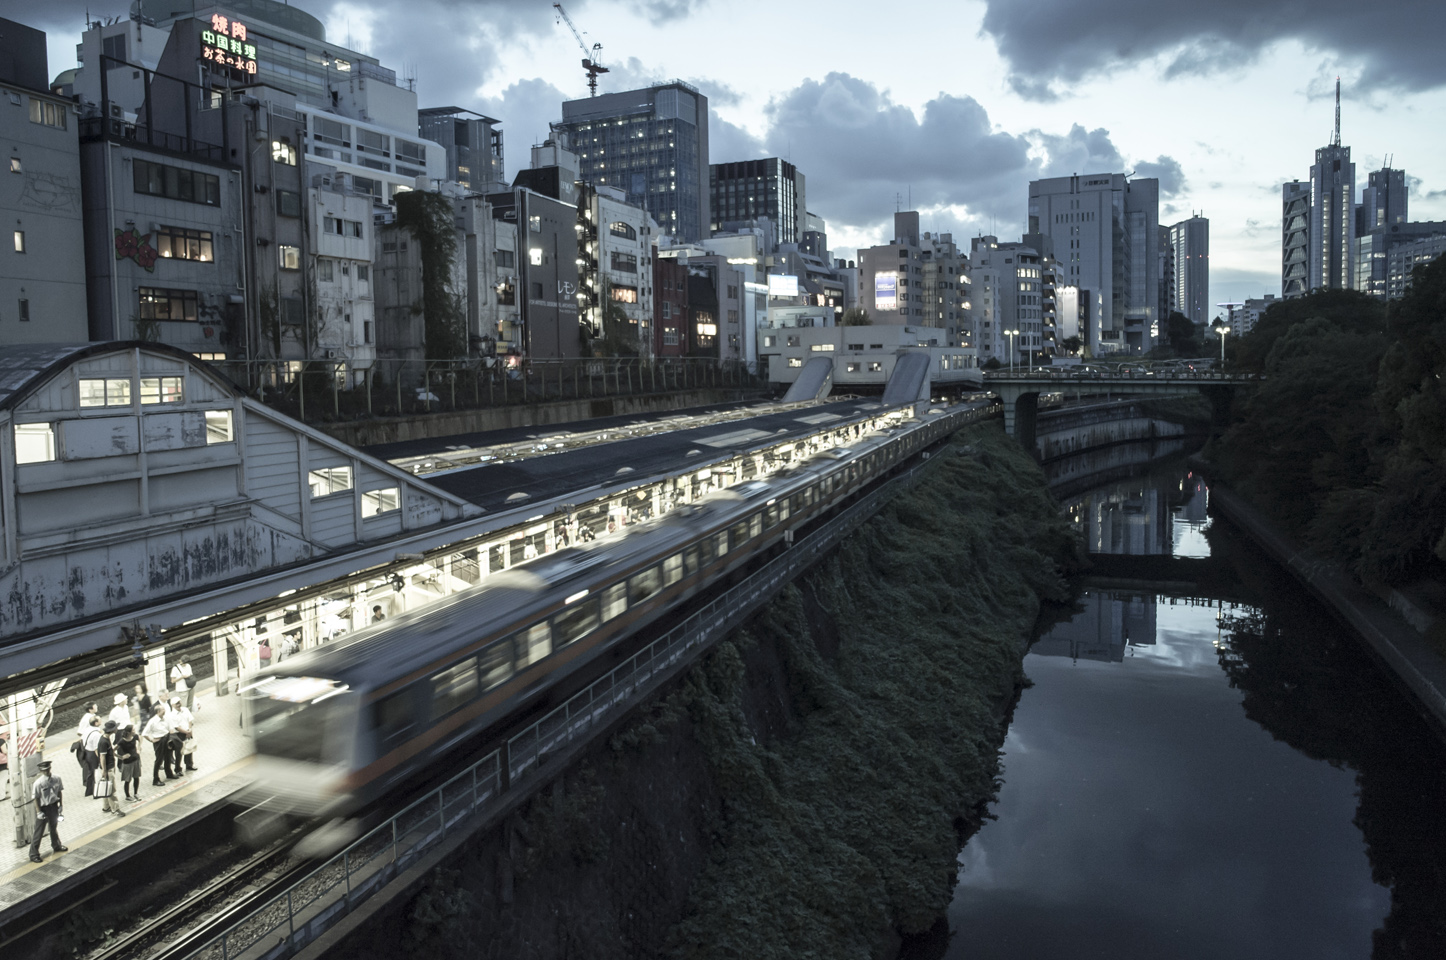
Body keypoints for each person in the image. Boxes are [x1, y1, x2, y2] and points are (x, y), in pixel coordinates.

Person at [28, 759, 67, 863]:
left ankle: (56, 845)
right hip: (43, 808)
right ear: (41, 771)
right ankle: (33, 854)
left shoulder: (57, 778)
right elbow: (35, 798)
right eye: (44, 770)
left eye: (47, 769)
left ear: (50, 768)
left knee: (53, 828)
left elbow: (59, 792)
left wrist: (60, 805)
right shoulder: (38, 783)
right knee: (39, 832)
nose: (46, 771)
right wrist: (38, 812)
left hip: (53, 806)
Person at [94, 721, 125, 817]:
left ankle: (106, 806)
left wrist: (119, 756)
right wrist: (104, 771)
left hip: (109, 767)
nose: (117, 729)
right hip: (108, 768)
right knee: (112, 789)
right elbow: (102, 757)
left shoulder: (106, 738)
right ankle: (115, 809)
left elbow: (110, 751)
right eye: (115, 727)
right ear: (112, 730)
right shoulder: (103, 742)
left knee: (106, 787)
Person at [142, 703, 176, 785]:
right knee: (159, 760)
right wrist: (151, 740)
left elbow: (171, 728)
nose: (164, 711)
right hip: (159, 741)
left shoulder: (166, 718)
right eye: (163, 709)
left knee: (168, 757)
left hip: (167, 738)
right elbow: (144, 733)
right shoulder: (152, 721)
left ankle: (169, 773)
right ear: (158, 711)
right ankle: (156, 779)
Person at [168, 697, 195, 772]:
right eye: (177, 703)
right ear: (172, 705)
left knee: (189, 748)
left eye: (179, 702)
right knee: (179, 752)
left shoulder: (185, 709)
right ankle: (178, 769)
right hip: (179, 735)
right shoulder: (171, 715)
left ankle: (189, 765)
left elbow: (190, 720)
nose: (179, 705)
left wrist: (189, 729)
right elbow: (177, 727)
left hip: (188, 731)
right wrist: (187, 732)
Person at [116, 724, 142, 802]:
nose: (135, 731)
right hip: (127, 763)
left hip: (136, 760)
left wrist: (139, 749)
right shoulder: (122, 741)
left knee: (136, 777)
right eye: (133, 730)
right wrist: (121, 757)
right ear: (129, 732)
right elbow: (112, 750)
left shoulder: (135, 736)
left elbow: (140, 739)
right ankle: (127, 796)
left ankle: (136, 793)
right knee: (128, 780)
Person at [80, 716, 103, 797]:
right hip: (93, 754)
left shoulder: (87, 729)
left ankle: (89, 791)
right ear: (96, 723)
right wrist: (100, 759)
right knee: (96, 773)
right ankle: (96, 792)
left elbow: (82, 739)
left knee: (90, 772)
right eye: (100, 720)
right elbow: (97, 748)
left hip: (87, 752)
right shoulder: (96, 734)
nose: (101, 720)